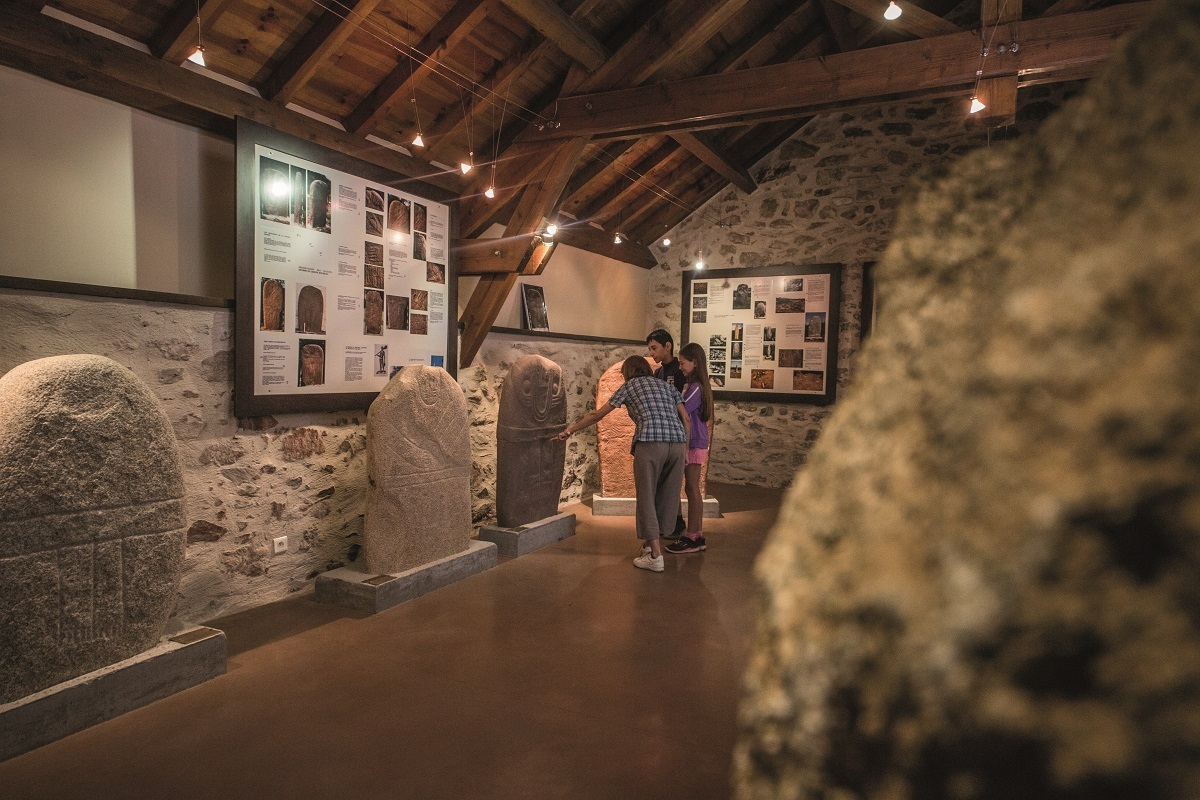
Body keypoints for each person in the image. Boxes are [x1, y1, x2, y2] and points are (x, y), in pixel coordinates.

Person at [555, 355, 689, 572]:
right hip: (678, 444)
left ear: (627, 372)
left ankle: (656, 555)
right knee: (668, 496)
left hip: (650, 441)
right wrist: (687, 448)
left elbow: (597, 415)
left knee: (646, 496)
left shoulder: (629, 386)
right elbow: (686, 418)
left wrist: (569, 431)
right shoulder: (666, 386)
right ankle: (649, 545)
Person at [666, 343, 713, 555]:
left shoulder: (695, 387)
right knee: (691, 488)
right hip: (695, 439)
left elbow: (683, 409)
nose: (680, 367)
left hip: (694, 441)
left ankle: (693, 535)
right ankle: (696, 534)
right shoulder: (695, 385)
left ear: (694, 362)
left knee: (692, 489)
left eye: (683, 362)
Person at [645, 329, 687, 537]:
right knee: (664, 481)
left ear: (667, 345)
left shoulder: (679, 370)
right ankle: (670, 520)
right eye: (650, 349)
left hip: (676, 430)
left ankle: (677, 520)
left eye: (654, 348)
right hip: (663, 430)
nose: (652, 353)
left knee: (673, 482)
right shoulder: (658, 373)